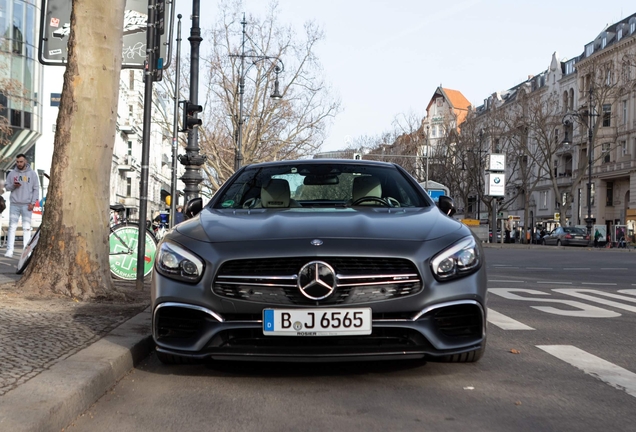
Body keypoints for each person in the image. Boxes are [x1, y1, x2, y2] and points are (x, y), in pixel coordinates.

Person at [4, 154, 40, 257]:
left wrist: (33, 203)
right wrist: (13, 186)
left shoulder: (32, 174)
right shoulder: (12, 174)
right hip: (15, 204)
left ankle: (26, 251)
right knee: (12, 227)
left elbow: (36, 189)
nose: (19, 164)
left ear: (25, 161)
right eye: (17, 162)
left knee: (26, 228)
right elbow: (7, 187)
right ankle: (9, 250)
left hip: (27, 204)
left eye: (21, 162)